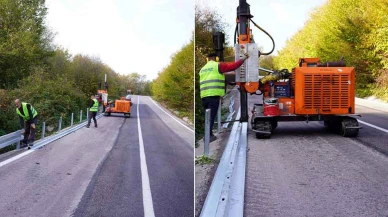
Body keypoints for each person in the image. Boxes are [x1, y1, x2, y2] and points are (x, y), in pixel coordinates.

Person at [199, 53, 249, 142]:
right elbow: (233, 66)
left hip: (204, 96)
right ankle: (207, 137)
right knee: (211, 117)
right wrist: (244, 58)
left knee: (207, 116)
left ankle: (208, 134)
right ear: (216, 58)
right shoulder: (217, 65)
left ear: (207, 59)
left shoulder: (203, 69)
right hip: (213, 95)